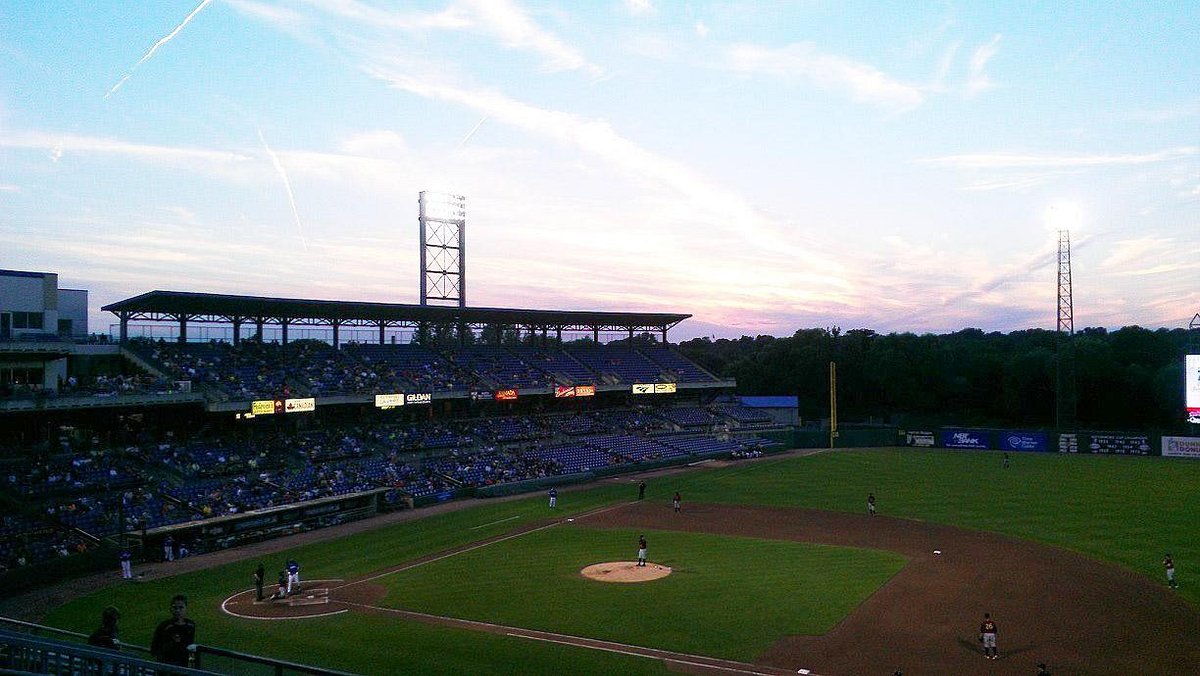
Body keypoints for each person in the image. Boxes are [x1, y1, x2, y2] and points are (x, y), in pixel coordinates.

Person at [150, 594, 196, 667]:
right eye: (175, 608)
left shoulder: (191, 625)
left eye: (181, 608)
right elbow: (154, 649)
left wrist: (192, 663)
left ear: (186, 608)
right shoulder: (165, 626)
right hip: (167, 665)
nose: (177, 610)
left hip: (184, 664)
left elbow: (191, 646)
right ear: (171, 609)